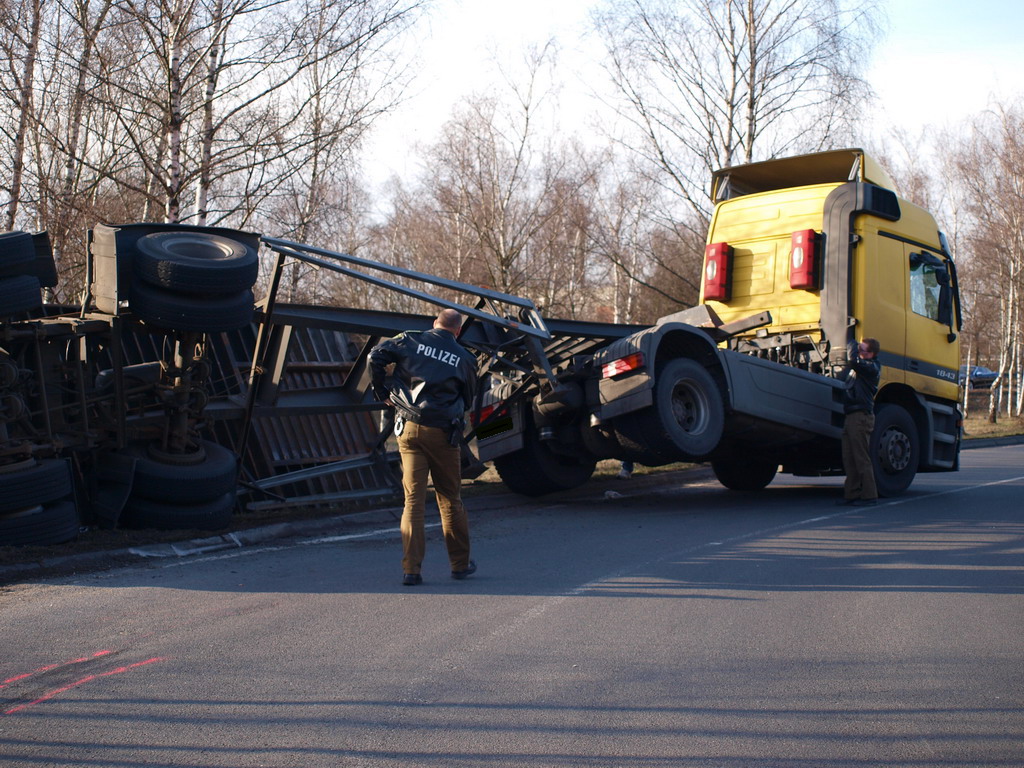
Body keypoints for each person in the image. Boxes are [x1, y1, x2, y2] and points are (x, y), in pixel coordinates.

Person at [369, 308, 478, 586]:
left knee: (413, 501)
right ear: (458, 331)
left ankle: (411, 570)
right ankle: (460, 565)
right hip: (442, 433)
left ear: (434, 324)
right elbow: (468, 399)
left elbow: (374, 356)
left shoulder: (410, 340)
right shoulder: (465, 358)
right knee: (450, 499)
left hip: (408, 428)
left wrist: (381, 391)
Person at [838, 337, 881, 506]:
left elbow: (854, 361)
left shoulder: (872, 367)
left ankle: (869, 495)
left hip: (861, 416)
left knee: (861, 457)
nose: (860, 353)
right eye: (859, 350)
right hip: (851, 415)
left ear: (872, 354)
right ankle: (852, 493)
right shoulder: (860, 368)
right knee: (849, 457)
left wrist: (851, 346)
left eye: (863, 350)